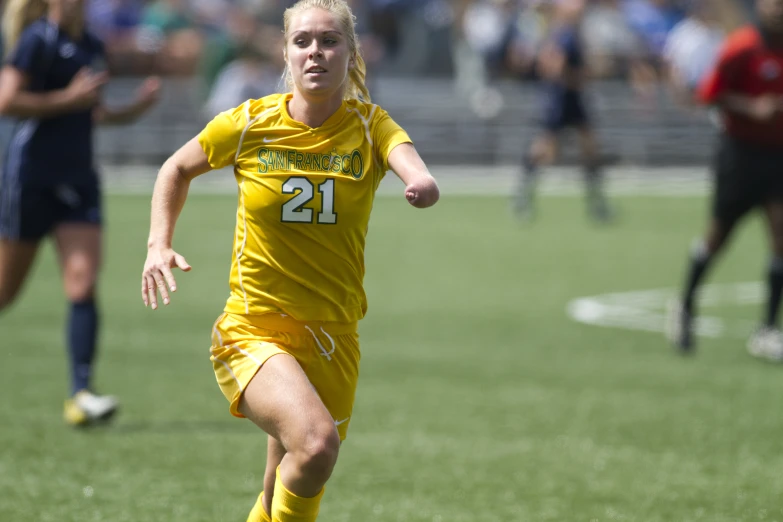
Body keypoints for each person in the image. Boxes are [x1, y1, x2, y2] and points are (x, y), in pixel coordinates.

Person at [140, 1, 439, 521]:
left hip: (334, 334)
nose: (315, 53)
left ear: (351, 52)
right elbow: (176, 169)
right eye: (302, 42)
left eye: (329, 41)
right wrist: (157, 244)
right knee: (317, 446)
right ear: (285, 52)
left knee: (283, 485)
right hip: (252, 330)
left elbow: (409, 161)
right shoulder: (251, 121)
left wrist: (420, 182)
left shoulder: (370, 126)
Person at [0, 0, 160, 426]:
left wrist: (135, 110)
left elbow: (93, 112)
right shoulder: (37, 40)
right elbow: (7, 100)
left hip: (79, 179)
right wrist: (67, 98)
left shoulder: (91, 44)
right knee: (5, 292)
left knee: (83, 283)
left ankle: (81, 393)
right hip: (31, 178)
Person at [667, 0, 783, 361]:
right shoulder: (741, 47)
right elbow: (708, 94)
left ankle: (767, 329)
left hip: (778, 157)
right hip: (741, 155)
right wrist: (752, 107)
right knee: (718, 236)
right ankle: (684, 306)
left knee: (781, 235)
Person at [512, 0, 613, 222]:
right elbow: (553, 68)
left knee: (589, 151)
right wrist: (579, 77)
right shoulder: (564, 34)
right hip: (561, 99)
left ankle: (597, 204)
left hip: (569, 99)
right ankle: (522, 196)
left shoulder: (563, 32)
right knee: (544, 151)